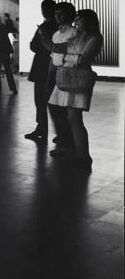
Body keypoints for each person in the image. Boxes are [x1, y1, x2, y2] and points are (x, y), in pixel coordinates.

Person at [46, 9, 103, 172]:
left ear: (89, 21)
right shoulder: (76, 36)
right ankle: (78, 153)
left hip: (78, 79)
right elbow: (59, 51)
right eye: (76, 18)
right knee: (71, 117)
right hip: (67, 76)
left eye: (80, 19)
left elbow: (83, 58)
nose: (76, 21)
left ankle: (83, 156)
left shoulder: (95, 38)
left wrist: (63, 57)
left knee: (75, 117)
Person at [39, 2, 78, 154]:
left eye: (60, 13)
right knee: (54, 105)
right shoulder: (56, 34)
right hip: (56, 71)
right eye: (56, 13)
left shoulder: (74, 32)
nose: (57, 16)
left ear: (70, 15)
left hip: (68, 73)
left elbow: (61, 49)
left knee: (65, 108)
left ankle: (68, 141)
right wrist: (50, 76)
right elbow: (53, 57)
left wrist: (44, 40)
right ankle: (63, 137)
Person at [24, 0, 58, 141]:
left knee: (42, 100)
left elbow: (34, 45)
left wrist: (41, 43)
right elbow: (34, 45)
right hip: (48, 65)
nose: (43, 11)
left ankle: (42, 129)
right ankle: (53, 130)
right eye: (42, 8)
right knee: (49, 101)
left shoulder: (45, 27)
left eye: (45, 8)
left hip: (43, 66)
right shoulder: (54, 26)